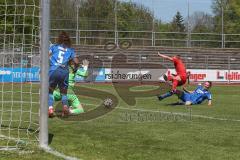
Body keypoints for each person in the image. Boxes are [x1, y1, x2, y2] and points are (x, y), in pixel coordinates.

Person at [48, 31, 78, 117]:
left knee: (49, 91)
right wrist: (75, 68)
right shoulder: (71, 50)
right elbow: (76, 62)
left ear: (59, 39)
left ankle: (50, 108)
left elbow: (47, 56)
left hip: (53, 70)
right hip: (64, 72)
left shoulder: (54, 47)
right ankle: (65, 107)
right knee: (64, 93)